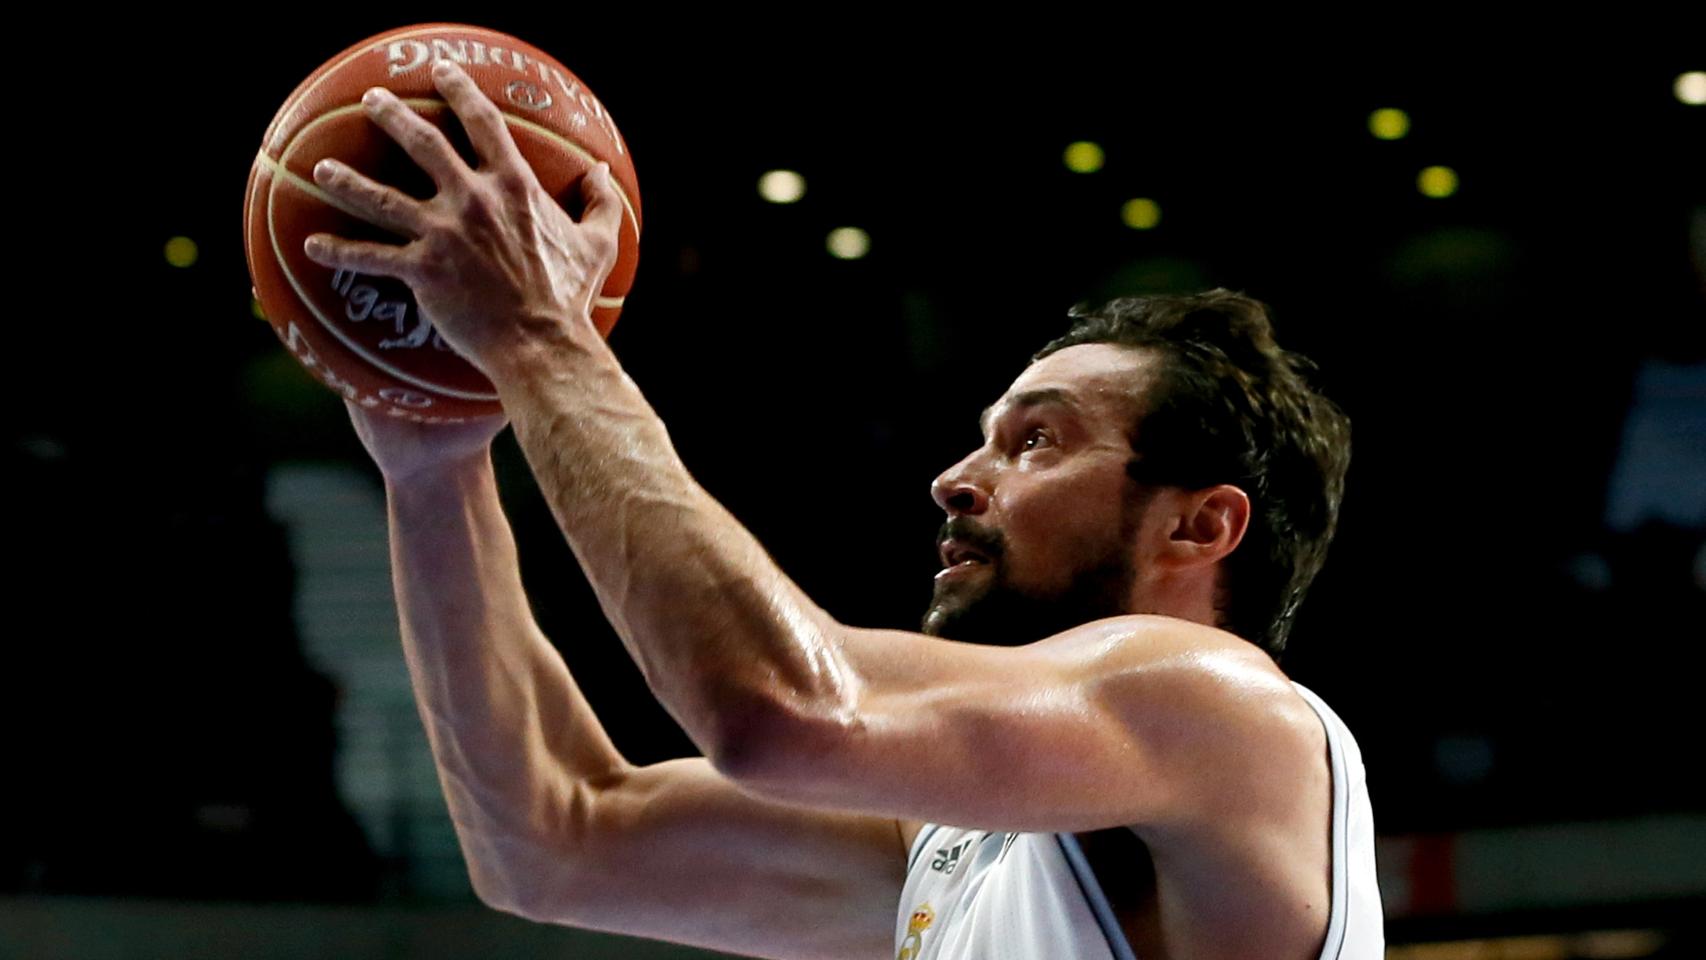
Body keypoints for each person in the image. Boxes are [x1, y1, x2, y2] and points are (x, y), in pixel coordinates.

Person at [304, 60, 1383, 960]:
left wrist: (541, 338)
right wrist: (434, 476)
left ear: (1197, 526)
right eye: (985, 435)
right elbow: (554, 836)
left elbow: (778, 711)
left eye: (1036, 441)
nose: (956, 476)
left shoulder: (1226, 712)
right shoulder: (953, 837)